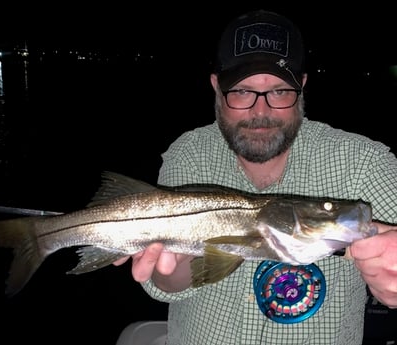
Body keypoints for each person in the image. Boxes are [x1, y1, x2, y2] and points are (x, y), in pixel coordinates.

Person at [114, 9, 397, 344]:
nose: (260, 112)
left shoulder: (365, 161)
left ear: (302, 87)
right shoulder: (188, 152)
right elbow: (169, 284)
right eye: (242, 91)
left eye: (279, 92)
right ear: (217, 87)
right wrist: (172, 271)